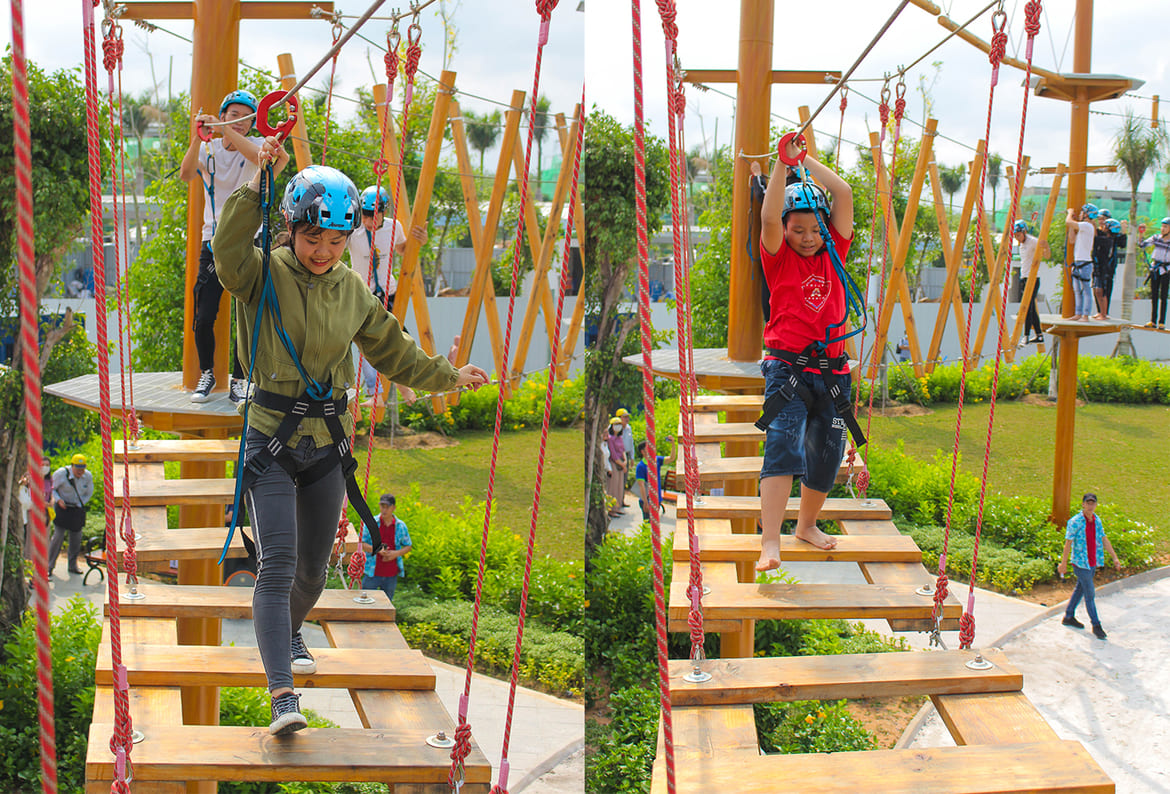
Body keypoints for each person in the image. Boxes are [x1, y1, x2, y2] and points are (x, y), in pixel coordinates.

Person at [213, 136, 489, 736]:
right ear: (291, 228)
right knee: (278, 564)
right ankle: (282, 694)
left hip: (326, 444)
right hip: (271, 440)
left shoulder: (352, 290)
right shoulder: (261, 275)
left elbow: (394, 351)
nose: (324, 251)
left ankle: (290, 631)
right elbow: (227, 251)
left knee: (313, 572)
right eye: (313, 237)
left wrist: (448, 375)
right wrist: (258, 181)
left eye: (337, 240)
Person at [755, 139, 861, 571]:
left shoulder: (835, 252)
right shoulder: (778, 258)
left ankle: (807, 525)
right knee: (783, 444)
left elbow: (844, 193)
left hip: (833, 373)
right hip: (788, 370)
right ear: (785, 229)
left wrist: (804, 160)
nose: (808, 238)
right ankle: (770, 541)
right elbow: (767, 216)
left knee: (828, 451)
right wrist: (784, 166)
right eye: (797, 230)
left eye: (815, 230)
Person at [179, 89, 261, 403]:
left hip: (246, 241)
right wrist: (198, 136)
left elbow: (258, 158)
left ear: (252, 123)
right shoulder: (209, 149)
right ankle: (207, 374)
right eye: (232, 114)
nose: (239, 121)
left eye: (246, 117)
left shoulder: (255, 145)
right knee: (203, 314)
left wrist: (225, 129)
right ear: (223, 114)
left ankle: (240, 380)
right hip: (212, 240)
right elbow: (186, 174)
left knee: (247, 316)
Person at [347, 185, 427, 406]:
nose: (369, 221)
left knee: (399, 341)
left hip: (388, 293)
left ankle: (405, 386)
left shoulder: (394, 227)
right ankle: (375, 394)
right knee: (367, 343)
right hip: (363, 295)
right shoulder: (352, 231)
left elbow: (402, 249)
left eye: (373, 215)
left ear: (384, 212)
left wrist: (418, 241)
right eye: (365, 215)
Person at [1058, 493, 1121, 640]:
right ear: (1083, 504)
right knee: (1089, 594)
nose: (1090, 506)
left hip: (1092, 562)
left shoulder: (1097, 520)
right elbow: (1068, 543)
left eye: (1093, 503)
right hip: (1081, 564)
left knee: (1080, 588)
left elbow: (1104, 539)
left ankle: (1068, 616)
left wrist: (1114, 557)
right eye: (1088, 503)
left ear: (1096, 505)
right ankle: (1096, 625)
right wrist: (1063, 563)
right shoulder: (1075, 522)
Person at [48, 454, 94, 576]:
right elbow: (52, 489)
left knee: (76, 539)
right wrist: (58, 500)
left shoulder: (87, 476)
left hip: (76, 509)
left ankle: (73, 566)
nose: (80, 472)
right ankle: (49, 566)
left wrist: (80, 503)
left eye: (82, 469)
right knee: (58, 537)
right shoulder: (61, 474)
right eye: (77, 468)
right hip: (62, 507)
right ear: (72, 466)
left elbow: (89, 492)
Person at [360, 494, 411, 601]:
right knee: (365, 603)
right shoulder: (371, 523)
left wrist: (396, 554)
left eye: (387, 507)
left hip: (391, 574)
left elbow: (408, 546)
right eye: (382, 506)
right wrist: (377, 549)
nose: (384, 510)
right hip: (372, 572)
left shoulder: (400, 526)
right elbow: (361, 544)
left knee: (387, 604)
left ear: (394, 508)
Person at [1065, 204, 1097, 322]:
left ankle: (1085, 315)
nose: (1079, 214)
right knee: (1077, 290)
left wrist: (1070, 213)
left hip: (1084, 262)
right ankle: (1078, 313)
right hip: (1078, 262)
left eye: (1082, 212)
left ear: (1086, 214)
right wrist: (1072, 226)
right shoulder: (1084, 228)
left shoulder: (1087, 225)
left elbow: (1068, 222)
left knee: (1086, 290)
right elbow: (1072, 240)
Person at [634, 436, 678, 522]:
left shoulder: (656, 460)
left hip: (656, 498)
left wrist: (673, 444)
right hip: (647, 499)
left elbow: (671, 458)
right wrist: (645, 502)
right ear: (643, 452)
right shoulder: (641, 466)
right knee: (648, 523)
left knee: (655, 522)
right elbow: (641, 486)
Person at [1013, 220, 1043, 345]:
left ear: (1024, 232)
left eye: (1019, 235)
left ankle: (1026, 335)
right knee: (1031, 308)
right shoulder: (1022, 244)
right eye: (1016, 236)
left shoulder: (1033, 241)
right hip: (1024, 277)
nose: (1017, 238)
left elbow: (1042, 250)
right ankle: (1039, 334)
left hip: (1033, 278)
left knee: (1027, 307)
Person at [1139, 217, 1170, 330]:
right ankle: (1153, 321)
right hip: (1155, 269)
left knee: (1164, 296)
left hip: (1166, 270)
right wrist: (1141, 234)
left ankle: (1161, 322)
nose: (1162, 229)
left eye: (1165, 227)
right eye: (1162, 226)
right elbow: (1142, 245)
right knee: (1154, 295)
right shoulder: (1156, 238)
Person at [1090, 213, 1116, 320]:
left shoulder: (1107, 240)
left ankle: (1103, 314)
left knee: (1102, 291)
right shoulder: (1107, 239)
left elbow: (1095, 239)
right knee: (1098, 291)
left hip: (1103, 268)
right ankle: (1101, 312)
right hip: (1099, 267)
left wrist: (1093, 226)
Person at [606, 417, 627, 512]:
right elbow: (613, 454)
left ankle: (618, 507)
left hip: (621, 463)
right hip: (614, 463)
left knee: (619, 486)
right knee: (613, 486)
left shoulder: (620, 438)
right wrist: (622, 464)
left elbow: (623, 450)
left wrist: (625, 461)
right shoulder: (610, 439)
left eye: (619, 424)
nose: (618, 426)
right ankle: (611, 508)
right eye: (616, 424)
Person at [616, 408, 634, 489]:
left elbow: (631, 443)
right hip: (617, 455)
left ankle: (622, 495)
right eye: (625, 417)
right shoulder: (614, 429)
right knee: (617, 477)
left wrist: (632, 457)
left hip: (626, 455)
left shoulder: (629, 428)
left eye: (627, 417)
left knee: (624, 477)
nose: (627, 419)